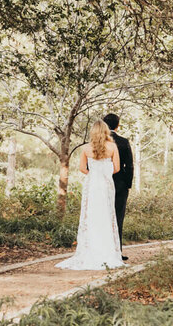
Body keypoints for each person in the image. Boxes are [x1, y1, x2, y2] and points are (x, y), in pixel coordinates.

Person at [56, 120, 126, 270]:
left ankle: (91, 249)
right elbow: (117, 168)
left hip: (92, 185)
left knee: (91, 215)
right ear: (106, 131)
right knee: (106, 215)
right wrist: (104, 174)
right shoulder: (113, 147)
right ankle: (107, 251)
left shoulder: (86, 148)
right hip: (106, 185)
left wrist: (94, 174)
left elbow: (82, 168)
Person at [103, 113, 133, 260]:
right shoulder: (123, 142)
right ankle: (116, 252)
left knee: (102, 217)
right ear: (117, 125)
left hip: (100, 183)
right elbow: (130, 165)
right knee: (118, 217)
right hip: (120, 184)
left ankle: (101, 250)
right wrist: (127, 184)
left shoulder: (97, 142)